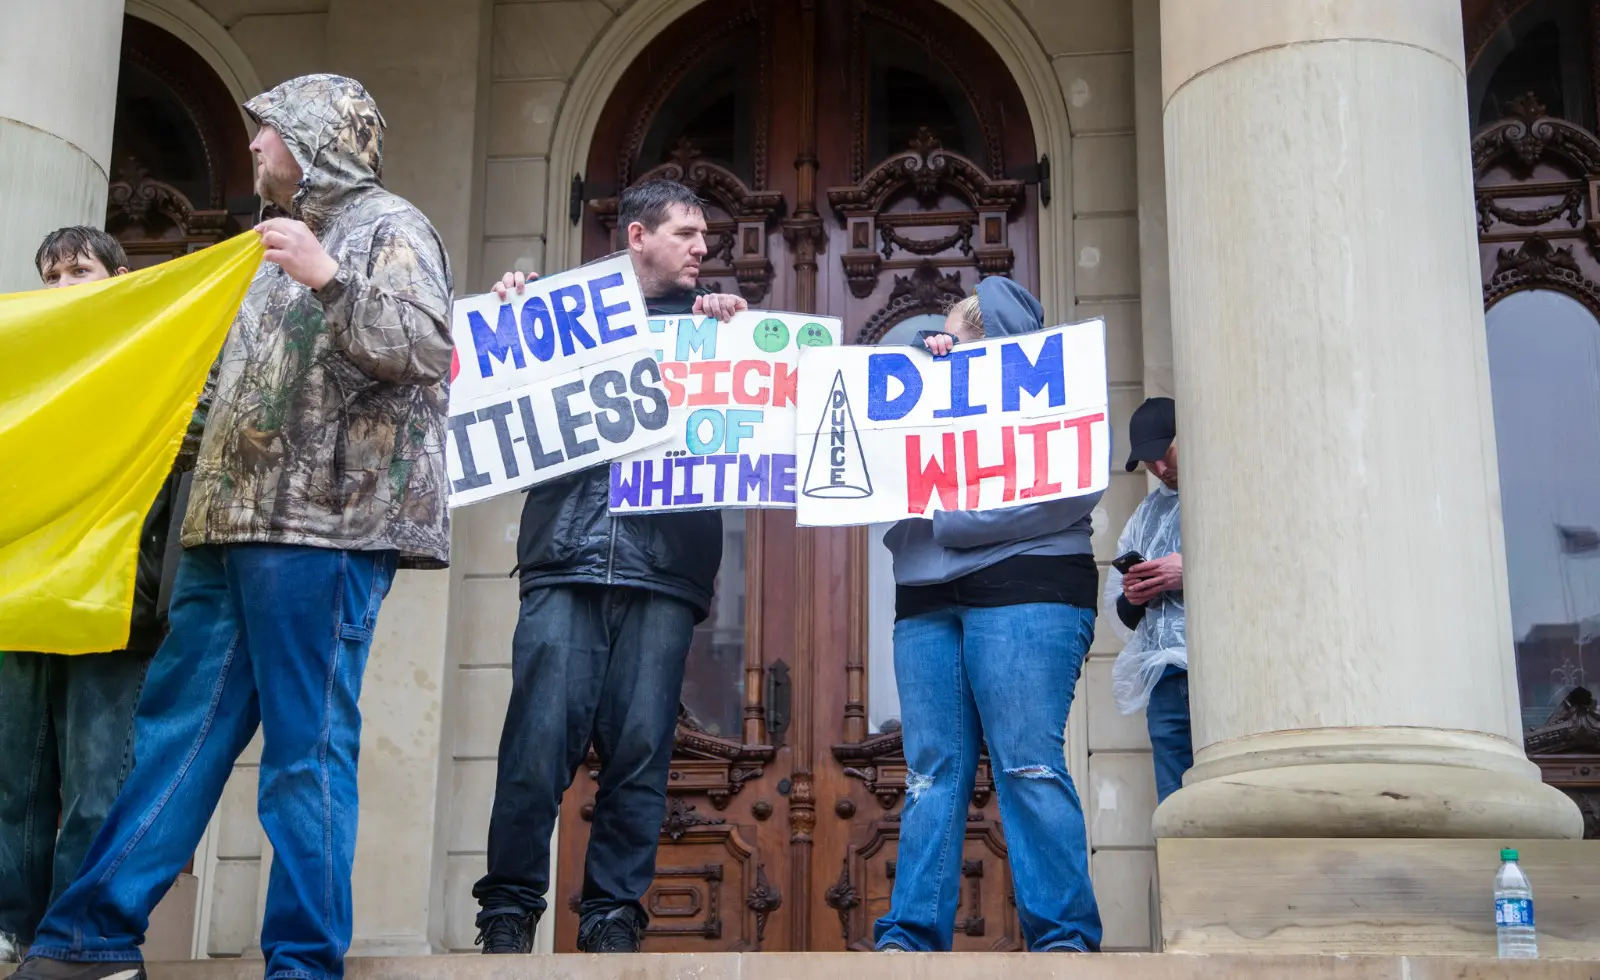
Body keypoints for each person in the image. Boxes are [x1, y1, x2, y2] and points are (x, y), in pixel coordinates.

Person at [13, 73, 453, 980]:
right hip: (226, 529)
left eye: (270, 129)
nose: (254, 144)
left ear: (318, 138)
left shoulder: (389, 226)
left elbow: (424, 347)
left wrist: (329, 278)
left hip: (321, 535)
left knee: (304, 751)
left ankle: (302, 961)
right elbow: (219, 396)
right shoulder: (260, 248)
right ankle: (92, 939)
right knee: (173, 736)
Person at [472, 178, 747, 955]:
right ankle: (508, 913)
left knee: (642, 756)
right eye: (687, 233)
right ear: (637, 235)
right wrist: (512, 315)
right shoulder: (557, 316)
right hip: (566, 558)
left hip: (665, 572)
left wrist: (734, 334)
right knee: (534, 749)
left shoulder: (710, 327)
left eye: (705, 236)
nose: (703, 248)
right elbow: (501, 395)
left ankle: (612, 918)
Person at [874, 277, 1105, 954]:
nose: (945, 350)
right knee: (930, 773)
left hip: (1028, 587)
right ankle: (910, 938)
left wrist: (951, 520)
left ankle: (1062, 941)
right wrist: (921, 377)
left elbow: (1070, 493)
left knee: (1028, 764)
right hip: (926, 594)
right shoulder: (930, 384)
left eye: (961, 341)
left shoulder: (1063, 390)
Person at [0, 229, 181, 966]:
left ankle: (71, 939)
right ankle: (10, 928)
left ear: (119, 277)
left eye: (79, 270)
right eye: (50, 276)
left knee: (96, 783)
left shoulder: (159, 354)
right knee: (13, 782)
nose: (62, 287)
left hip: (112, 601)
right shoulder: (21, 362)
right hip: (22, 598)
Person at [1104, 396, 1189, 803]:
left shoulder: (1229, 490)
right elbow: (1122, 613)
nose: (1158, 468)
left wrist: (1189, 571)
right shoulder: (1146, 514)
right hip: (1166, 677)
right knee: (1174, 802)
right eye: (1148, 461)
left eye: (1164, 454)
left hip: (1223, 671)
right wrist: (1136, 593)